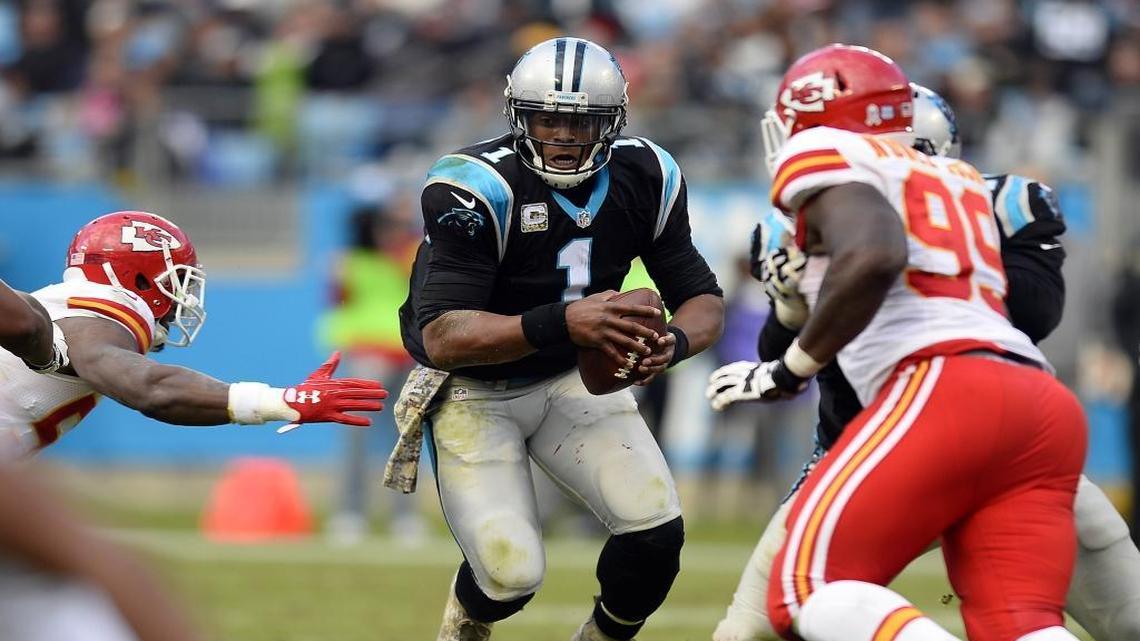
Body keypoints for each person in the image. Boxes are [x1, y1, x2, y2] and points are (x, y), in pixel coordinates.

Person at [711, 84, 1140, 641]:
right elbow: (784, 344)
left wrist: (912, 266)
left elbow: (1035, 312)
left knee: (1128, 617)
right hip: (879, 443)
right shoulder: (809, 221)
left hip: (950, 415)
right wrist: (793, 306)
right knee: (750, 629)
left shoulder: (993, 204)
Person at [394, 37, 724, 641]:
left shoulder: (646, 174)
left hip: (570, 379)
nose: (564, 136)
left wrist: (671, 345)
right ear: (518, 116)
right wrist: (562, 322)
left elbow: (702, 298)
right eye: (548, 119)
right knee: (509, 576)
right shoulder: (475, 185)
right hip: (472, 389)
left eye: (582, 121)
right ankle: (465, 618)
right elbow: (443, 335)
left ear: (613, 122)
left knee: (655, 533)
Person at [0, 210, 388, 459]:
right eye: (178, 282)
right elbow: (152, 389)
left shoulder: (65, 307)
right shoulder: (102, 311)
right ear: (138, 277)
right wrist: (280, 401)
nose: (181, 300)